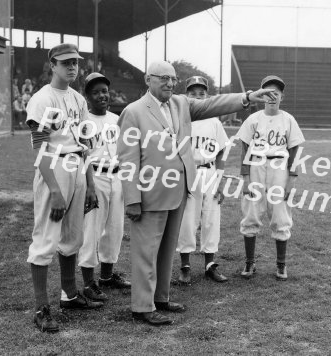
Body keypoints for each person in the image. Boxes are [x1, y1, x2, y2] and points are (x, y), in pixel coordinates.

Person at [116, 61, 276, 326]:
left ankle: (161, 298)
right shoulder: (133, 112)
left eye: (173, 79)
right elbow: (127, 159)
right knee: (146, 251)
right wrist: (132, 199)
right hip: (148, 194)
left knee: (167, 249)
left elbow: (213, 104)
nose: (169, 83)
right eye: (163, 78)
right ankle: (142, 307)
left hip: (179, 190)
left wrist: (247, 97)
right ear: (148, 79)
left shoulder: (181, 104)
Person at [25, 43, 103, 333]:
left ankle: (69, 294)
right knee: (46, 237)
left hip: (77, 167)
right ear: (52, 65)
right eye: (66, 62)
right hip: (54, 167)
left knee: (73, 236)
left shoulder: (78, 100)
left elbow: (84, 146)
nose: (72, 67)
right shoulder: (42, 99)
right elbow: (41, 149)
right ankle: (41, 307)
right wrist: (55, 190)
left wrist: (90, 183)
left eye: (76, 62)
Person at [235, 75, 305, 281]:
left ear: (283, 96)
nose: (272, 96)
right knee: (251, 213)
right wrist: (245, 178)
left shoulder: (288, 119)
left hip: (279, 167)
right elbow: (245, 150)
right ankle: (250, 263)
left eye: (277, 93)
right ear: (262, 96)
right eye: (268, 93)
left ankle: (281, 265)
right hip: (256, 164)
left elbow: (295, 151)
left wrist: (292, 179)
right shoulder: (253, 119)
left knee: (281, 214)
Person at [73, 72, 131, 303]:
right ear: (87, 96)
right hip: (94, 176)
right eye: (95, 92)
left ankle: (106, 277)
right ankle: (88, 283)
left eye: (104, 91)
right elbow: (81, 155)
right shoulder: (82, 122)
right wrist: (88, 185)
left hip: (116, 176)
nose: (102, 95)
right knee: (92, 230)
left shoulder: (117, 119)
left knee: (115, 228)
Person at [176, 76, 230, 285]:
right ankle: (185, 265)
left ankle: (210, 265)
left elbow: (222, 152)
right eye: (193, 93)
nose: (197, 97)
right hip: (188, 172)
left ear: (207, 96)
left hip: (209, 171)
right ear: (186, 95)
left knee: (211, 218)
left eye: (202, 93)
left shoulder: (214, 121)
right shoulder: (182, 119)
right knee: (188, 220)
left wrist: (220, 180)